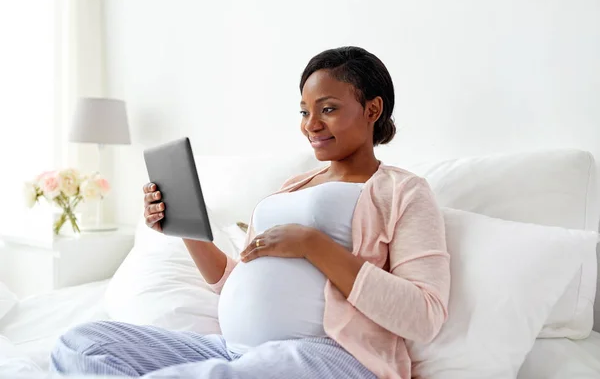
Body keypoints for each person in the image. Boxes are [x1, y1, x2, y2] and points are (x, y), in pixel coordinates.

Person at [51, 46, 451, 379]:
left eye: (327, 109)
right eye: (303, 111)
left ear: (373, 109)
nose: (311, 124)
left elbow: (425, 316)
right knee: (81, 344)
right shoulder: (292, 187)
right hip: (236, 351)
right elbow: (236, 279)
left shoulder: (402, 191)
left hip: (331, 355)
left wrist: (313, 245)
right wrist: (182, 226)